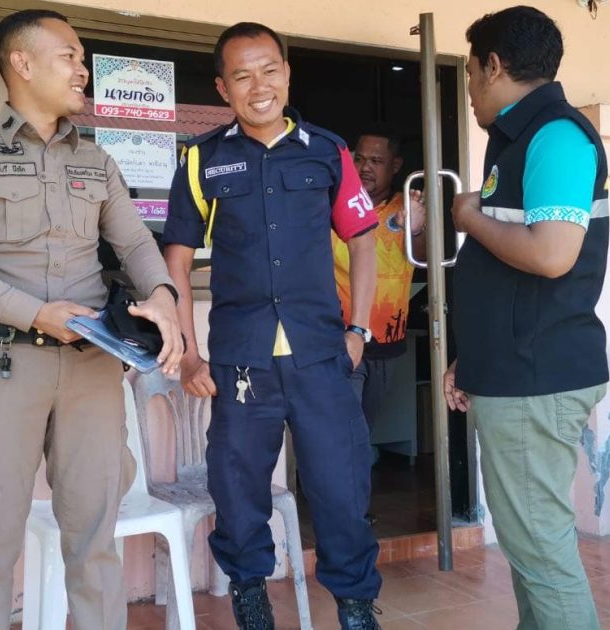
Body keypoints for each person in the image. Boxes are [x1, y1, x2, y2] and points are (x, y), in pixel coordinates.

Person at [0, 10, 183, 630]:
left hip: (92, 367)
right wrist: (34, 313)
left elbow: (136, 244)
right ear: (22, 63)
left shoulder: (97, 160)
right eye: (70, 56)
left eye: (82, 59)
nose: (83, 69)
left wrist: (164, 295)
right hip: (4, 364)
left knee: (95, 538)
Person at [162, 22, 384, 630]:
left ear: (286, 74)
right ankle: (251, 596)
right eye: (242, 76)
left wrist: (358, 331)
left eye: (268, 71)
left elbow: (363, 241)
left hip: (320, 354)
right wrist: (188, 354)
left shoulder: (326, 151)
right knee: (237, 488)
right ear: (222, 88)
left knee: (341, 485)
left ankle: (355, 606)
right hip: (242, 359)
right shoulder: (202, 160)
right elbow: (176, 260)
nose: (258, 87)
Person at [440, 6, 610, 629]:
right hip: (516, 369)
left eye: (469, 75)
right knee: (528, 548)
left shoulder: (555, 136)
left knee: (541, 551)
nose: (470, 91)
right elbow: (510, 278)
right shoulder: (518, 140)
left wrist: (468, 217)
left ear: (493, 65)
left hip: (536, 377)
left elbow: (551, 254)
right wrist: (473, 358)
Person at [332, 128, 425, 471]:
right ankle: (348, 498)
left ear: (395, 165)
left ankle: (353, 491)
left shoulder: (407, 205)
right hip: (343, 339)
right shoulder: (334, 203)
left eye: (376, 160)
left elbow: (426, 258)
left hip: (388, 345)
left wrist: (416, 229)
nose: (365, 167)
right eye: (359, 159)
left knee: (363, 428)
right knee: (348, 427)